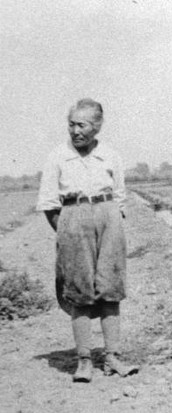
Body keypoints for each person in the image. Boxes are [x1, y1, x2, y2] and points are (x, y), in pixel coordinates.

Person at [37, 98, 138, 382]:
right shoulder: (58, 156)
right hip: (72, 218)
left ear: (97, 127)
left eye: (82, 125)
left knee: (110, 288)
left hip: (108, 218)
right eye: (71, 125)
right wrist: (67, 230)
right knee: (80, 290)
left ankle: (113, 357)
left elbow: (120, 195)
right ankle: (84, 360)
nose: (75, 131)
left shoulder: (111, 155)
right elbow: (48, 202)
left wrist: (113, 221)